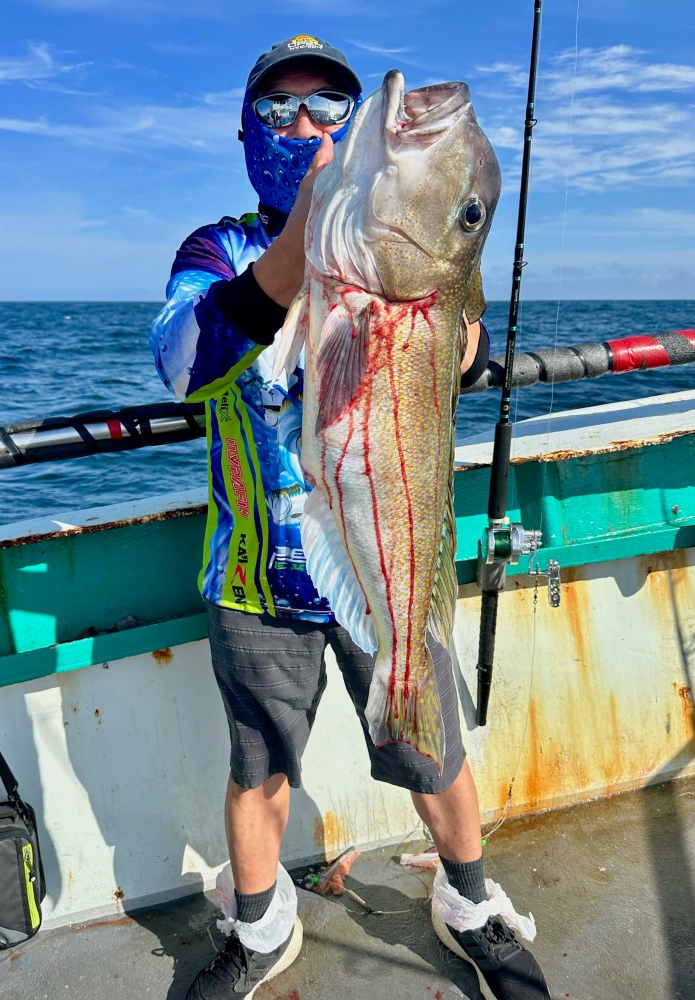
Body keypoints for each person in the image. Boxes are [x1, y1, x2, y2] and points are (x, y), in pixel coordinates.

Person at [150, 34, 551, 1000]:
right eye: (280, 108)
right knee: (258, 770)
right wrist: (299, 248)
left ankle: (469, 901)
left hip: (384, 557)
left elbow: (464, 333)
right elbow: (179, 361)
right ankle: (257, 925)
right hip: (256, 572)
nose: (307, 125)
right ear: (248, 130)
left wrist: (454, 331)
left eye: (328, 104)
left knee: (430, 745)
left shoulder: (393, 247)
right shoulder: (219, 251)